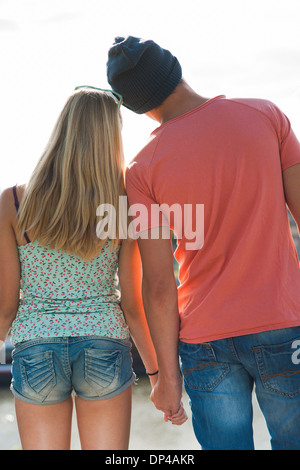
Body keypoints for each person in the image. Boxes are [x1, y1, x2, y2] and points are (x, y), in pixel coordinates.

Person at [106, 36, 300, 450]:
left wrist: (166, 378)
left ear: (134, 105)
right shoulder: (265, 115)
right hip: (281, 324)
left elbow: (158, 285)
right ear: (174, 68)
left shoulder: (141, 169)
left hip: (204, 341)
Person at [0, 87, 187, 451]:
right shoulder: (124, 205)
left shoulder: (14, 202)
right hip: (104, 344)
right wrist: (158, 377)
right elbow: (133, 304)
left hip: (36, 346)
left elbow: (6, 306)